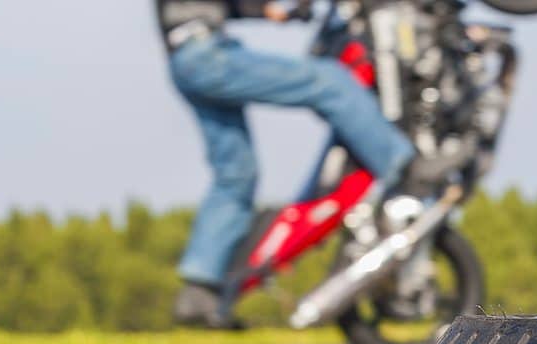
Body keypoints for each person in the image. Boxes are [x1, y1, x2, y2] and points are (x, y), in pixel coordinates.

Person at [157, 0, 415, 326]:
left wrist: (265, 10)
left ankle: (201, 291)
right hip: (207, 54)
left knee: (237, 173)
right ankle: (402, 166)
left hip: (185, 59)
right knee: (330, 82)